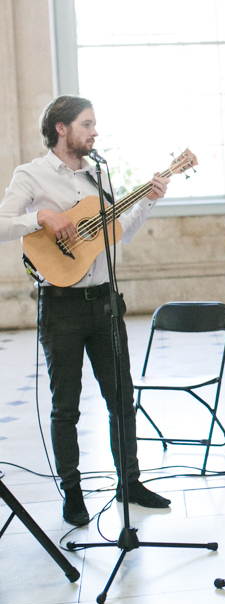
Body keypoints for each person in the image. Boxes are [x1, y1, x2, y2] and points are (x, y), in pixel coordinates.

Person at [0, 96, 172, 526]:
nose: (95, 132)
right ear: (61, 128)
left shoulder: (99, 176)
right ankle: (72, 493)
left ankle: (129, 482)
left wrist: (147, 200)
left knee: (122, 399)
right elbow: (3, 222)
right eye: (87, 123)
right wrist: (41, 216)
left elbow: (118, 234)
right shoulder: (32, 175)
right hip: (61, 309)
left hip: (105, 304)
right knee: (66, 406)